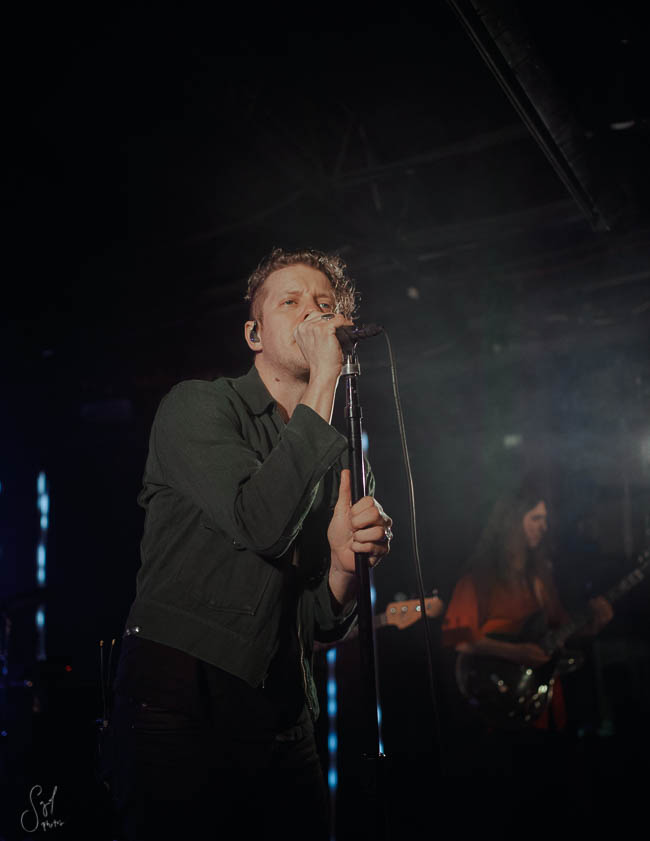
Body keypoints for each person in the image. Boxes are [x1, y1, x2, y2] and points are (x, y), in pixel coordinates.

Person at [101, 248, 393, 841]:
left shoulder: (338, 454)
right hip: (182, 704)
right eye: (291, 302)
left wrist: (342, 567)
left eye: (326, 304)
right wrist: (325, 379)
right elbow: (259, 521)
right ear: (254, 334)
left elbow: (319, 620)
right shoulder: (197, 406)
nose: (313, 313)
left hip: (284, 716)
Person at [440, 476, 612, 776]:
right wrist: (517, 653)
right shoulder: (479, 578)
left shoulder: (540, 578)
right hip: (500, 713)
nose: (543, 527)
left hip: (545, 707)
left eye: (545, 519)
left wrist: (594, 623)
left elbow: (560, 630)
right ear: (512, 522)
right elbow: (458, 638)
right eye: (536, 518)